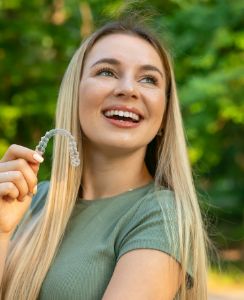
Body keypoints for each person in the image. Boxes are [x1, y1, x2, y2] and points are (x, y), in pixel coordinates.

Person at [0, 19, 209, 300]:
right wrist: (1, 230)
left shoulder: (162, 216)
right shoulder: (30, 199)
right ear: (74, 94)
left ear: (164, 114)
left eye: (148, 79)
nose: (129, 89)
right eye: (107, 72)